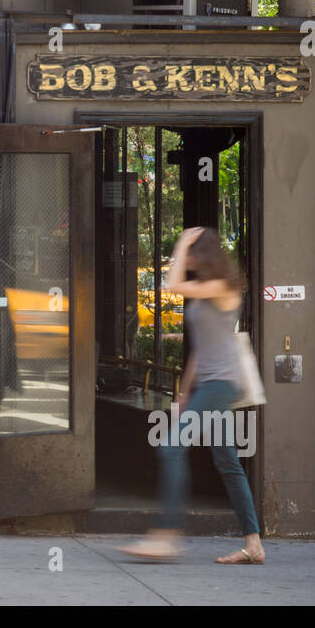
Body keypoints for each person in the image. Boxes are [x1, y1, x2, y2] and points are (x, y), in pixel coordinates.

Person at [122, 226, 265, 565]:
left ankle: (166, 537)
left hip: (222, 383)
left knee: (171, 448)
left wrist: (182, 244)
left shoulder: (223, 286)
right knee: (228, 462)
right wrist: (185, 391)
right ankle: (254, 545)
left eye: (191, 253)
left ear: (203, 255)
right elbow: (202, 349)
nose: (187, 260)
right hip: (208, 384)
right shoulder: (205, 290)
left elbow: (170, 286)